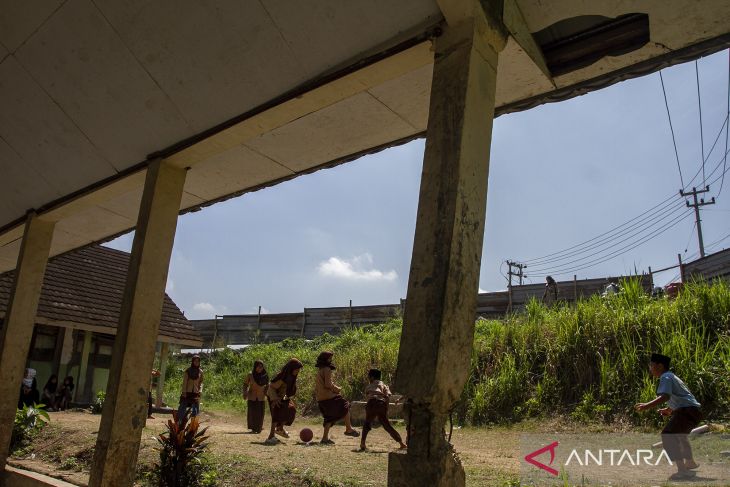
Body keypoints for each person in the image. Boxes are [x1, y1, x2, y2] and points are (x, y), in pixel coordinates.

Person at [635, 353, 702, 480]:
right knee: (681, 436)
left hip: (686, 411)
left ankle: (682, 471)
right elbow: (680, 396)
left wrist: (646, 406)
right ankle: (689, 462)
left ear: (660, 366)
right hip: (693, 411)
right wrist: (670, 409)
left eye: (651, 365)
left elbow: (665, 396)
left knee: (668, 435)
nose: (650, 368)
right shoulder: (672, 376)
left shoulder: (665, 377)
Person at [315, 351, 359, 444]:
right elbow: (328, 384)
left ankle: (325, 438)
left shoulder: (320, 370)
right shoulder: (327, 369)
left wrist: (334, 388)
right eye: (329, 358)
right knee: (345, 405)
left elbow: (326, 384)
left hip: (321, 399)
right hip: (328, 397)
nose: (331, 360)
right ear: (325, 359)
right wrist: (336, 389)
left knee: (329, 417)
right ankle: (348, 429)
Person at [359, 369, 406, 451]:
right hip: (380, 404)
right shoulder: (384, 385)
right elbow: (387, 396)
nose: (368, 379)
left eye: (369, 377)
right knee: (387, 425)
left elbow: (368, 396)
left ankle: (363, 443)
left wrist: (369, 406)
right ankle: (401, 443)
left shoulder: (369, 386)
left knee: (367, 423)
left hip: (371, 404)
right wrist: (386, 408)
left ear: (372, 377)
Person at [265, 358, 303, 445]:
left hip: (284, 398)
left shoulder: (292, 377)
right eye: (296, 369)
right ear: (291, 369)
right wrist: (275, 399)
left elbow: (288, 391)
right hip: (274, 398)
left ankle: (280, 429)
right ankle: (270, 437)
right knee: (276, 416)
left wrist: (287, 399)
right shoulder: (282, 377)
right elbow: (271, 387)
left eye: (298, 370)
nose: (298, 371)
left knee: (291, 410)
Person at [242, 360, 268, 433]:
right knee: (252, 413)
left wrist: (267, 393)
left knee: (260, 413)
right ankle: (253, 428)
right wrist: (245, 392)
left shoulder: (265, 375)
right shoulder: (250, 374)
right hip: (252, 396)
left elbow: (268, 385)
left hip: (261, 397)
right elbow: (245, 384)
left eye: (261, 367)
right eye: (258, 367)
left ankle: (259, 428)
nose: (260, 369)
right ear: (255, 367)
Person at [177, 355, 203, 423]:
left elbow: (201, 383)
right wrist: (184, 392)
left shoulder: (201, 372)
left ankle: (193, 424)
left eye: (198, 361)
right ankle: (179, 422)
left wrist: (200, 391)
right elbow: (184, 382)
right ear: (193, 361)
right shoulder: (188, 371)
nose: (196, 362)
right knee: (182, 408)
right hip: (187, 392)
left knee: (195, 410)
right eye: (195, 361)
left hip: (195, 393)